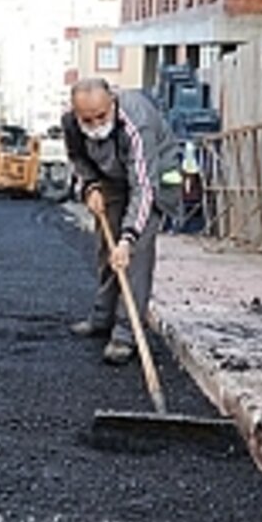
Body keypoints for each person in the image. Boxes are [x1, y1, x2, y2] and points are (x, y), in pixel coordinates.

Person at [62, 78, 180, 365]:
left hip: (153, 178)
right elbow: (78, 158)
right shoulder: (71, 124)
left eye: (101, 117)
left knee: (134, 256)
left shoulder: (136, 123)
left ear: (112, 101)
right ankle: (102, 317)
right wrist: (90, 187)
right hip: (110, 179)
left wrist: (128, 238)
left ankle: (126, 334)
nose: (95, 125)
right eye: (87, 120)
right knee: (107, 249)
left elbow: (143, 187)